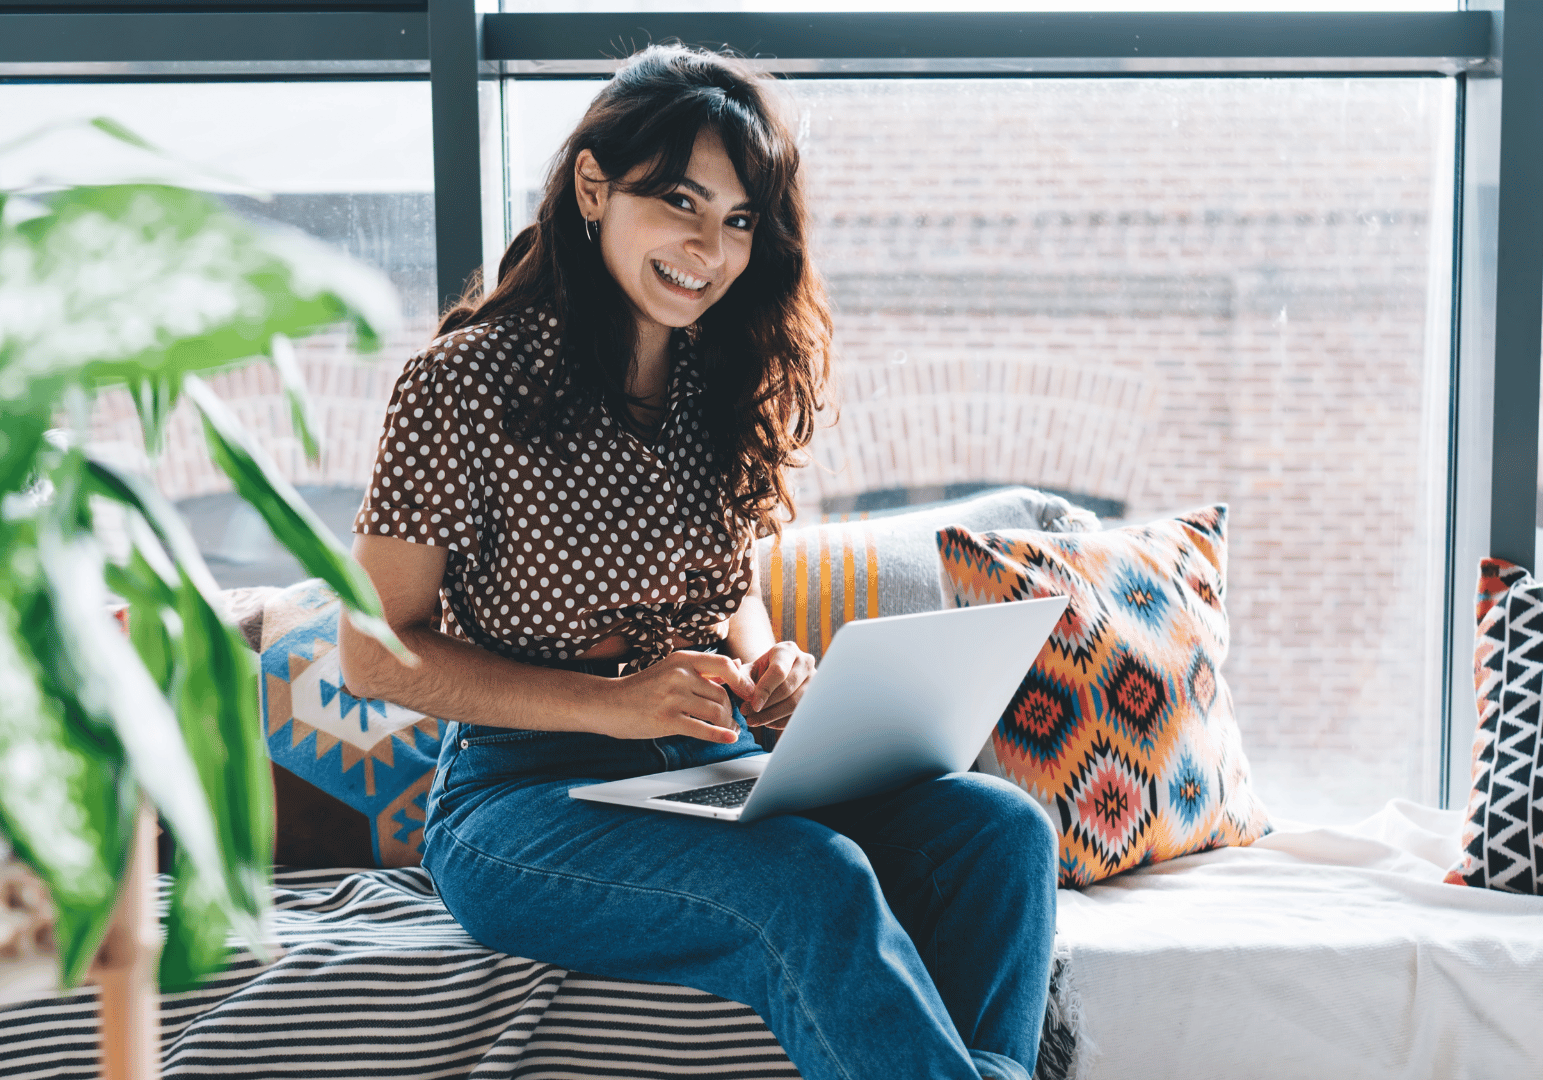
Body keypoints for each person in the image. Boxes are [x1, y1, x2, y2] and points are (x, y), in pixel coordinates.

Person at [337, 44, 1057, 1080]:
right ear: (595, 189)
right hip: (522, 801)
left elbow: (734, 595)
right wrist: (614, 704)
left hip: (712, 768)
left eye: (737, 220)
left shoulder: (723, 381)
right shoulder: (458, 388)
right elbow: (372, 655)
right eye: (679, 201)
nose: (706, 247)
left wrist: (773, 674)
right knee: (808, 877)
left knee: (999, 833)